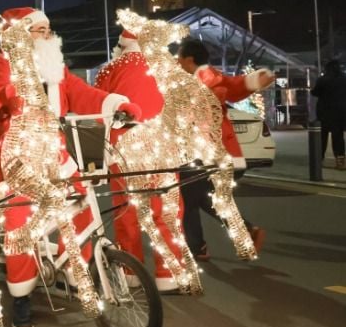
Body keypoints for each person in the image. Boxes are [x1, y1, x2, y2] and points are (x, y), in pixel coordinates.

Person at [0, 7, 138, 327]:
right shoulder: (3, 64)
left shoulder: (56, 69)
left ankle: (72, 269)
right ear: (23, 34)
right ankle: (21, 299)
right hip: (18, 156)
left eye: (48, 29)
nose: (47, 35)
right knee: (19, 222)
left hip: (56, 153)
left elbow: (83, 93)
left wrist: (117, 104)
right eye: (40, 30)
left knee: (82, 204)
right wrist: (10, 96)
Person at [95, 30, 180, 292]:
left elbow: (97, 106)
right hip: (160, 145)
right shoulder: (167, 66)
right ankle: (169, 274)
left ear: (121, 46)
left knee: (126, 211)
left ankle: (131, 272)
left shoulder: (111, 69)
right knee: (165, 211)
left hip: (123, 148)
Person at [176, 37, 273, 260]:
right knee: (199, 198)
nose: (177, 60)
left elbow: (230, 86)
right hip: (209, 153)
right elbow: (235, 85)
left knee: (190, 197)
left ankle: (200, 246)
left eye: (179, 56)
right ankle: (238, 233)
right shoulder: (199, 78)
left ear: (189, 59)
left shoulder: (207, 78)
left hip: (208, 154)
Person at [311, 59, 346, 170]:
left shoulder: (323, 79)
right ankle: (340, 160)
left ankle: (319, 160)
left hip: (324, 112)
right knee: (338, 137)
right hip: (340, 112)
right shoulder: (344, 78)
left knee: (322, 137)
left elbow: (315, 92)